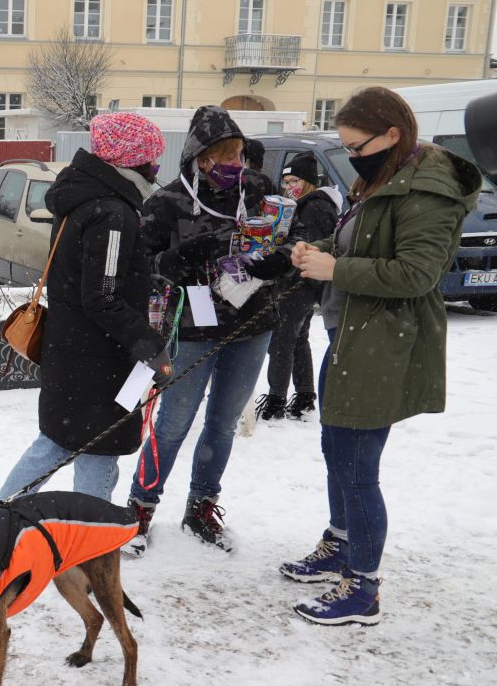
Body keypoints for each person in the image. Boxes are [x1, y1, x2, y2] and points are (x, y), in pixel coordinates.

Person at [282, 88, 479, 626]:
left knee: (357, 466)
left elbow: (418, 275)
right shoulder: (385, 175)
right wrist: (318, 247)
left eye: (355, 144)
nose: (350, 155)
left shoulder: (429, 192)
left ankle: (363, 587)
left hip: (381, 340)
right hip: (348, 332)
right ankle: (341, 543)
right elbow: (360, 238)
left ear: (392, 133)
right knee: (334, 446)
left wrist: (335, 270)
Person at [0, 113, 172, 503]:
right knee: (93, 449)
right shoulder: (112, 212)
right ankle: (90, 543)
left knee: (59, 444)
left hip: (74, 349)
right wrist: (147, 343)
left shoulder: (85, 194)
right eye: (152, 160)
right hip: (97, 361)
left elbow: (91, 275)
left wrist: (141, 280)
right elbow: (102, 294)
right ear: (131, 161)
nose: (156, 169)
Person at [125, 105, 277, 555]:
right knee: (172, 424)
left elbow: (281, 239)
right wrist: (176, 261)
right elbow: (140, 266)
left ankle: (201, 506)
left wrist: (279, 259)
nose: (235, 166)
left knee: (223, 423)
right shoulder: (167, 202)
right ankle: (139, 509)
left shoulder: (259, 190)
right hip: (193, 325)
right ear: (201, 158)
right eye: (225, 156)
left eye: (240, 156)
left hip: (253, 321)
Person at [247, 153, 339, 421]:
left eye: (294, 180)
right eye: (286, 181)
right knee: (297, 339)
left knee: (282, 339)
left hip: (300, 282)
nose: (289, 186)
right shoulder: (304, 204)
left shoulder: (316, 207)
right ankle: (304, 396)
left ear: (308, 181)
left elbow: (320, 244)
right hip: (299, 281)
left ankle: (277, 399)